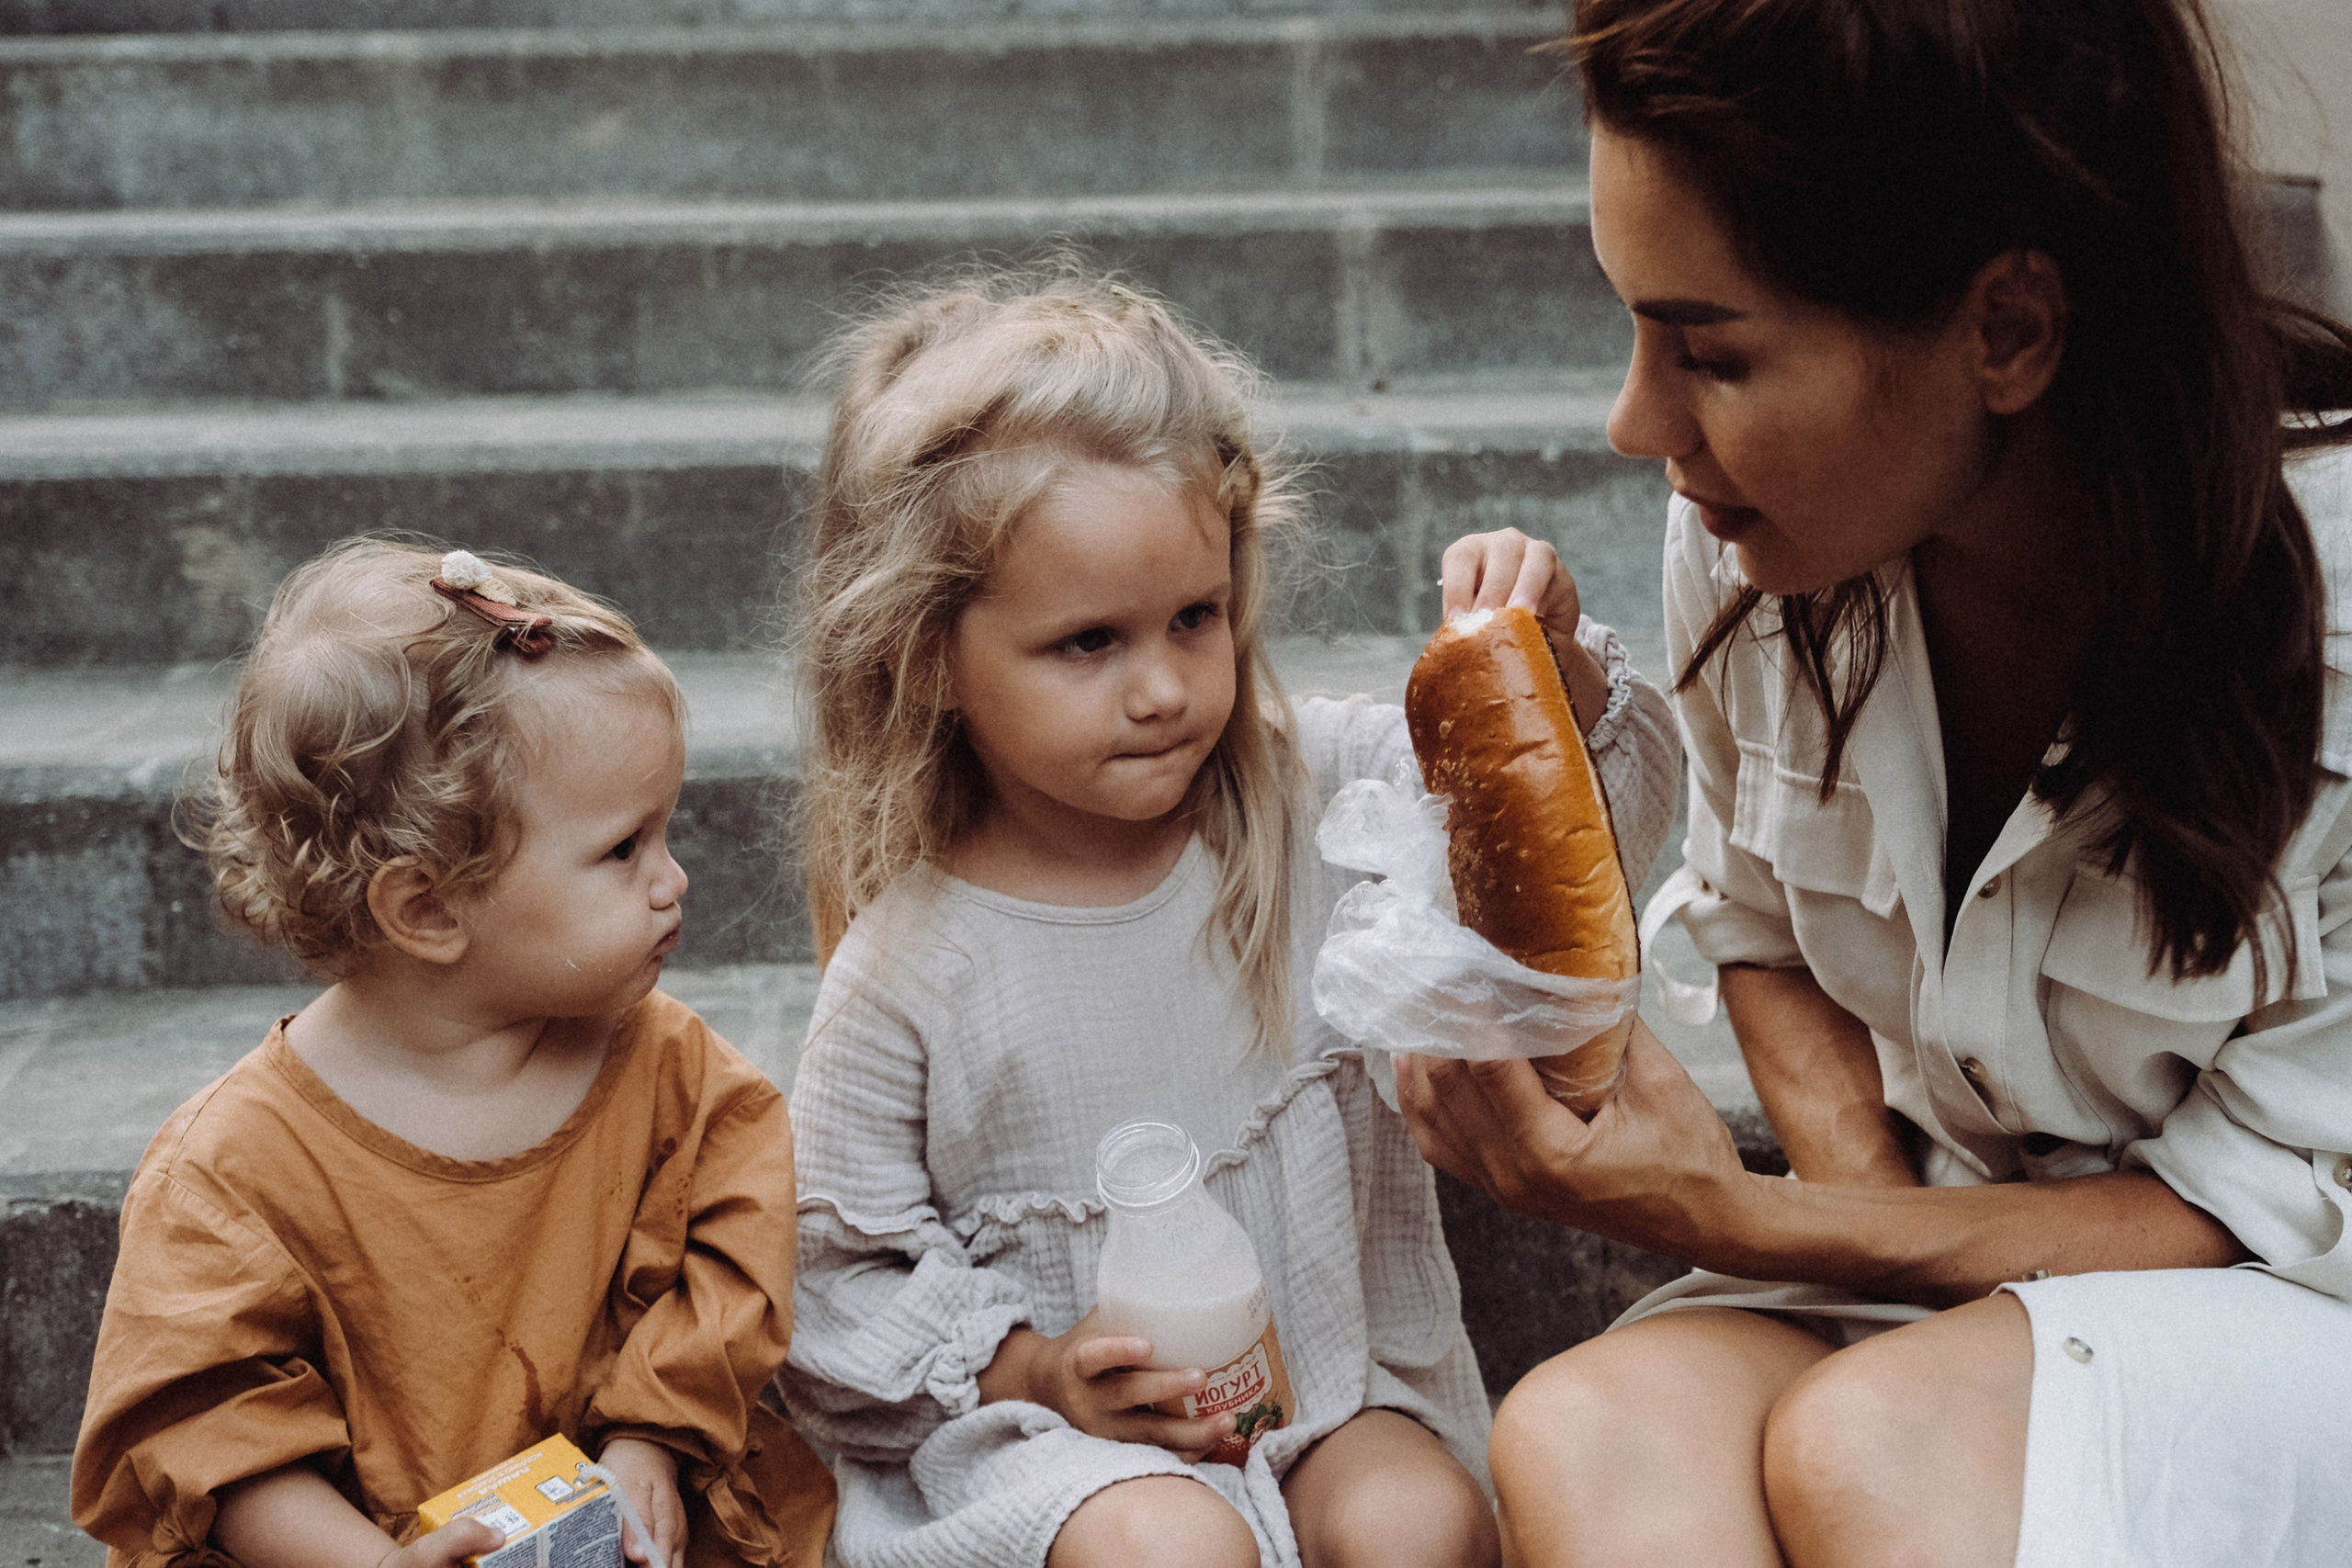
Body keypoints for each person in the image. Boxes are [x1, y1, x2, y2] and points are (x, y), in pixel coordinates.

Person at [1397, 0, 2352, 1564]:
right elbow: (1761, 930)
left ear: (2008, 330)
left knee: (1877, 1441)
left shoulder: (2336, 608)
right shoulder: (1756, 546)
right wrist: (1873, 1231)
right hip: (1954, 1242)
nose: (1638, 425)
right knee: (1590, 1427)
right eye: (1635, 330)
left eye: (1708, 349)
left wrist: (1740, 1219)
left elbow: (2248, 1204)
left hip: (2296, 1300)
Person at [775, 270, 1679, 1568]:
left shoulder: (1319, 797)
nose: (1162, 687)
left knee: (1419, 1521)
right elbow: (836, 1275)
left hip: (1326, 1386)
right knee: (1171, 1547)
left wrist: (1555, 667)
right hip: (1058, 1440)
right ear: (929, 656)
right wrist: (1032, 1367)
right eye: (1088, 642)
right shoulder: (913, 963)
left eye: (1194, 617)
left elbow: (1599, 842)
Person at [73, 540, 836, 1568]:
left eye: (667, 832)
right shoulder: (232, 1169)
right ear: (427, 906)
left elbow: (732, 1259)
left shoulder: (672, 1070)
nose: (674, 880)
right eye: (623, 850)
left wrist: (652, 1437)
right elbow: (208, 1428)